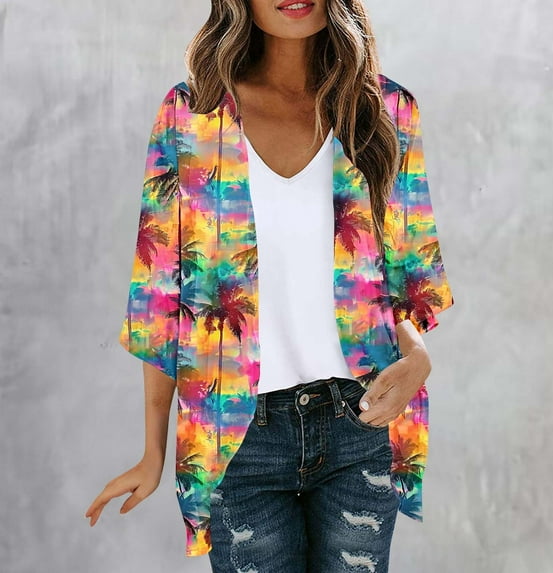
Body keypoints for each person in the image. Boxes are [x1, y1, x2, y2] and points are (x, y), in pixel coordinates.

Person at [85, 1, 454, 571]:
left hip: (361, 422)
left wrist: (418, 355)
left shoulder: (385, 110)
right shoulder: (192, 116)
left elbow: (406, 279)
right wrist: (152, 449)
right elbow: (159, 300)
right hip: (236, 437)